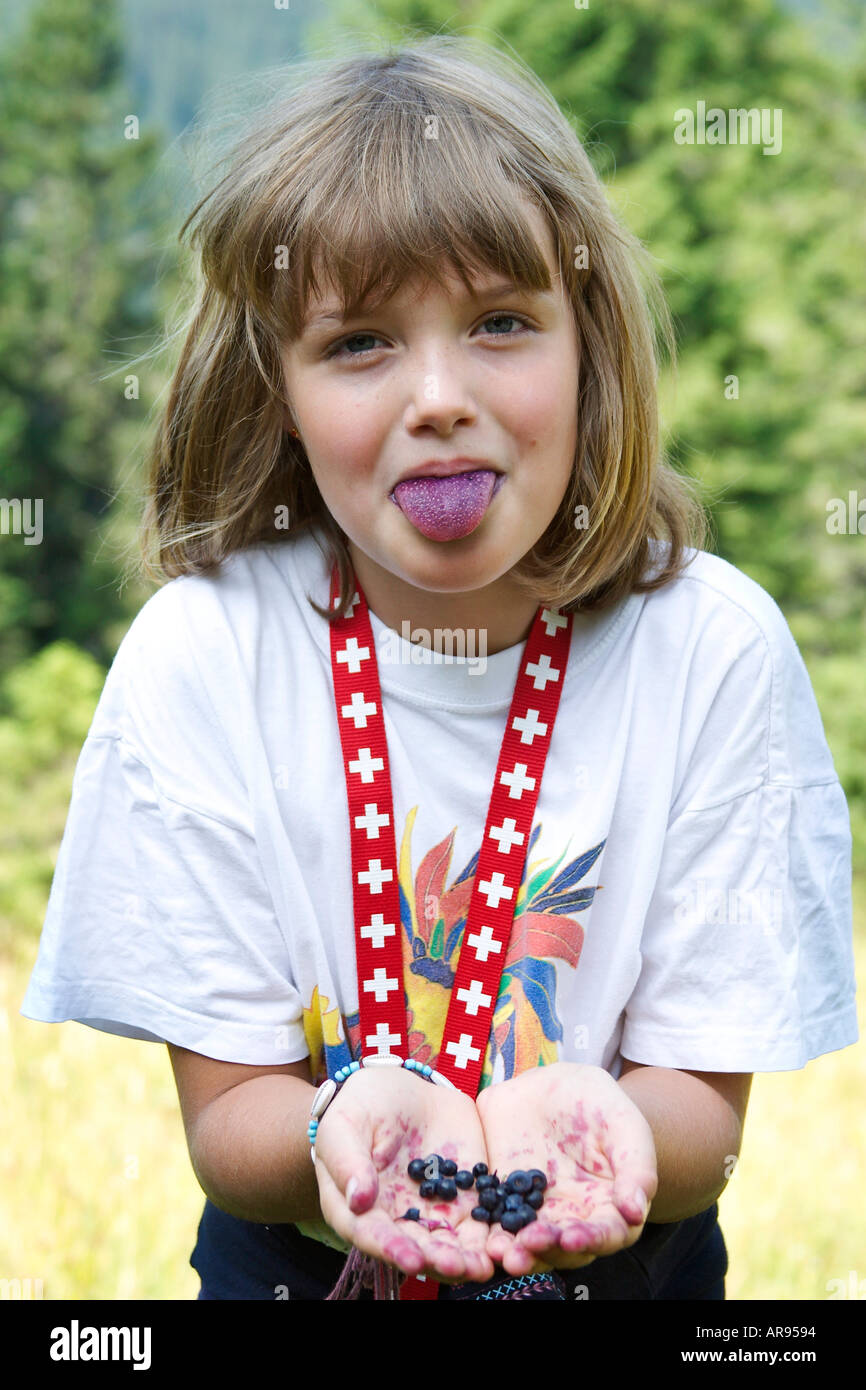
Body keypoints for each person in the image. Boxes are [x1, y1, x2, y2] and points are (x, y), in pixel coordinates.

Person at [20, 36, 857, 1302]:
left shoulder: (710, 655)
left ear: (592, 343)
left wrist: (616, 1133)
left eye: (501, 324)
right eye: (357, 343)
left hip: (628, 1273)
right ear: (277, 387)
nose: (438, 397)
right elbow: (231, 1115)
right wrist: (329, 1141)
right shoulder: (205, 659)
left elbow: (700, 1116)